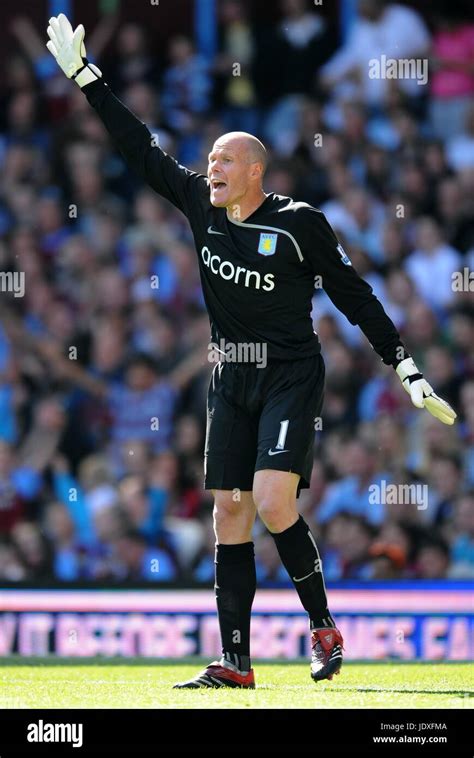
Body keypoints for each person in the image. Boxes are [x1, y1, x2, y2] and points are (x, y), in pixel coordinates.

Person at [45, 14, 457, 689]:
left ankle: (322, 627)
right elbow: (138, 148)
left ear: (256, 172)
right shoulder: (199, 207)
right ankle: (236, 664)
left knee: (271, 501)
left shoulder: (299, 225)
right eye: (209, 159)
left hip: (291, 375)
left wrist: (403, 366)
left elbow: (354, 294)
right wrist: (87, 78)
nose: (211, 166)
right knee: (228, 511)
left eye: (224, 160)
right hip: (228, 378)